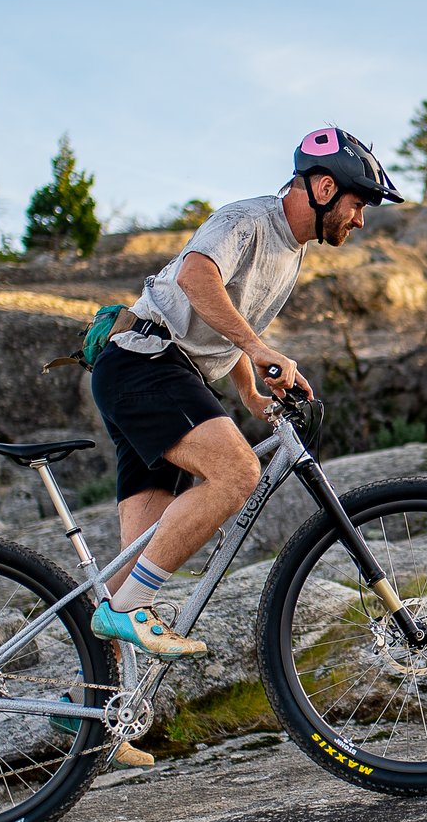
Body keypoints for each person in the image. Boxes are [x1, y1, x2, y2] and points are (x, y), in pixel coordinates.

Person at [84, 128, 403, 758]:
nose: (361, 219)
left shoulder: (292, 255)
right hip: (148, 363)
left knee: (135, 561)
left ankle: (91, 706)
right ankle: (120, 625)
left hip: (162, 373)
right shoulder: (246, 220)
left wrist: (254, 394)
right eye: (359, 203)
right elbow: (200, 280)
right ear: (322, 185)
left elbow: (227, 323)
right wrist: (259, 350)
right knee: (236, 474)